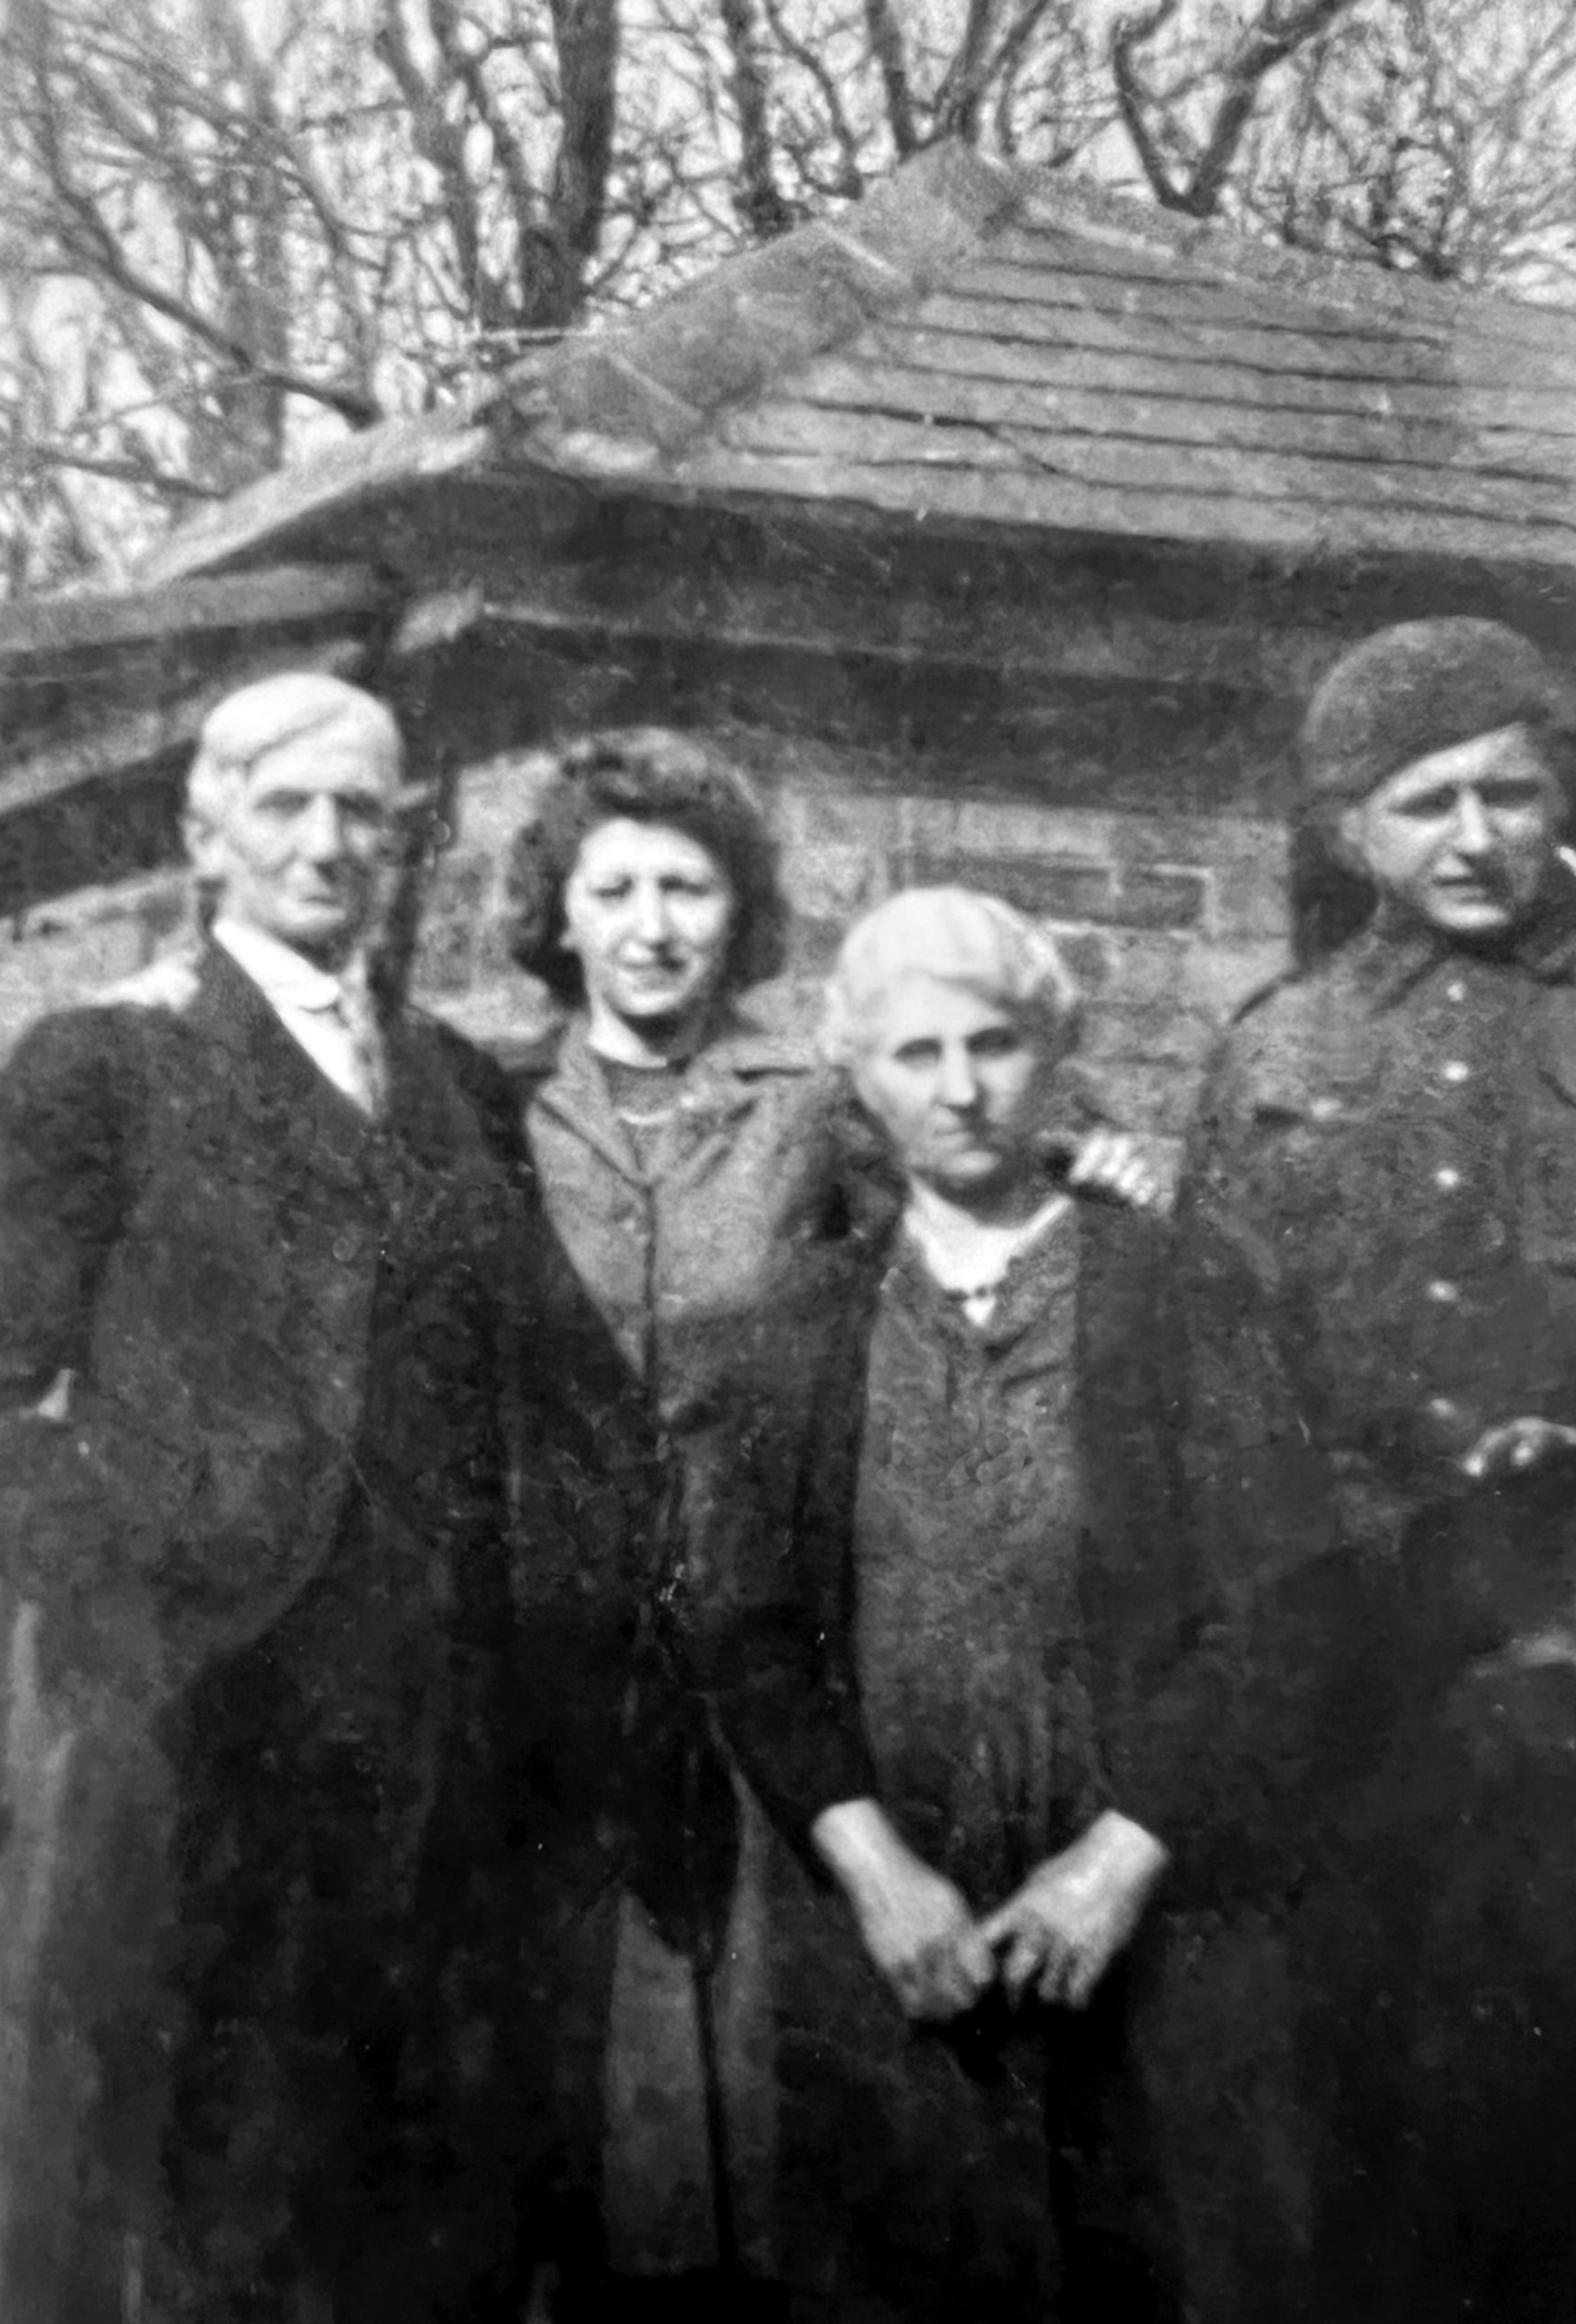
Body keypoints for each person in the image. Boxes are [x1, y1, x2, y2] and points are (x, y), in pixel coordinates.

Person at [498, 733, 1164, 2317]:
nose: (652, 927)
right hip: (570, 1660)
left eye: (688, 889)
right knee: (567, 2114)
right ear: (558, 913)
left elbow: (996, 1152)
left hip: (763, 1662)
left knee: (778, 2119)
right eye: (615, 890)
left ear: (738, 912)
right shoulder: (493, 1113)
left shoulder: (819, 1108)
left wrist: (1117, 1161)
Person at [0, 673, 526, 2320]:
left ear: (402, 843)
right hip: (205, 1732)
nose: (326, 844)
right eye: (284, 807)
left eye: (362, 813)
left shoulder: (463, 1088)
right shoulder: (102, 1061)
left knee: (421, 2223)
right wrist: (134, 1584)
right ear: (205, 837)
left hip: (440, 1749)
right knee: (219, 2212)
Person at [1173, 616, 1576, 2322]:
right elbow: (1221, 1392)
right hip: (1365, 1706)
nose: (1472, 837)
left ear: (1557, 799)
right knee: (1376, 2168)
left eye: (1506, 793)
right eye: (1422, 803)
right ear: (1347, 833)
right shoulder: (1275, 1055)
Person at [765, 887, 1187, 2324]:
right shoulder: (807, 1319)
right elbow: (747, 1632)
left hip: (1143, 1914)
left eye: (994, 1044)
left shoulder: (1180, 1283)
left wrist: (1119, 1861)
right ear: (860, 1079)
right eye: (915, 1052)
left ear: (1052, 1052)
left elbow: (1278, 1610)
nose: (959, 1088)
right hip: (900, 1917)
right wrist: (874, 1870)